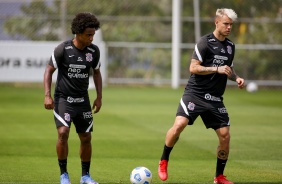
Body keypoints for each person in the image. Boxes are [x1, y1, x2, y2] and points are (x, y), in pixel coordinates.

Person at [158, 8, 244, 184]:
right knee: (179, 125)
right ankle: (164, 160)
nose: (229, 28)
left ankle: (219, 176)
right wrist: (215, 69)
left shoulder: (230, 46)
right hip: (195, 94)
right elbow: (193, 68)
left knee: (225, 135)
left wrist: (236, 78)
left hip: (215, 99)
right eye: (226, 24)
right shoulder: (204, 42)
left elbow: (228, 69)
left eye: (231, 25)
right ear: (217, 22)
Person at [44, 12, 102, 184]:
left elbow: (97, 73)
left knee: (86, 137)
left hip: (82, 100)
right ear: (78, 32)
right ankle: (64, 175)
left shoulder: (94, 51)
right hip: (63, 99)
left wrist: (99, 97)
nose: (91, 38)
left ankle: (85, 176)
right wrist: (47, 95)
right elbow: (48, 71)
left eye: (93, 34)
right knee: (63, 133)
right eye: (88, 35)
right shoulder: (63, 49)